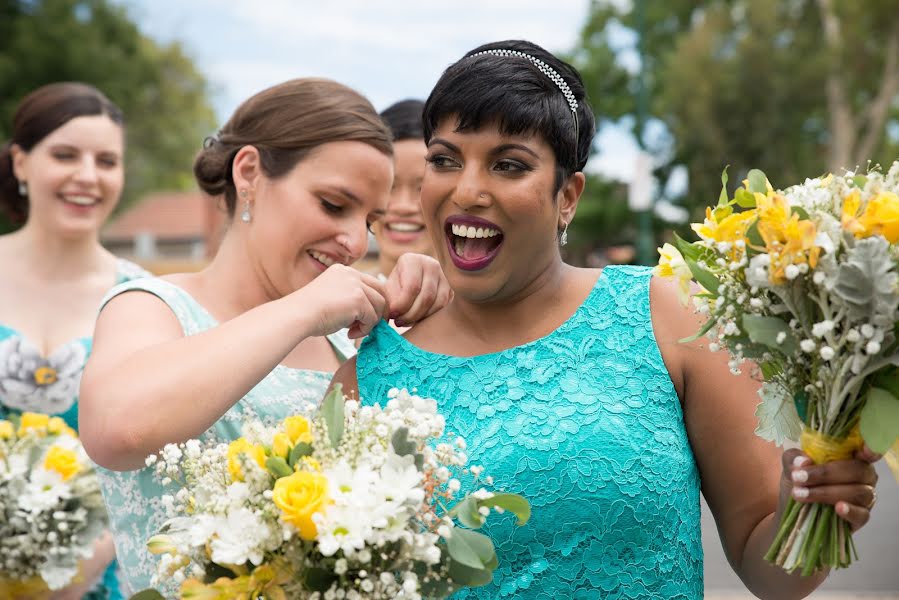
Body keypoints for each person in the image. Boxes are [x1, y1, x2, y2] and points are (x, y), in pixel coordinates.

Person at [331, 41, 881, 599]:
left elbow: (772, 575)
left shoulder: (668, 316)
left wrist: (810, 505)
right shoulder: (364, 384)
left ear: (567, 196)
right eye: (445, 160)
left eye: (509, 165)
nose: (467, 190)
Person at [78, 78, 451, 595]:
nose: (354, 240)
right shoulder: (147, 306)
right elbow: (117, 431)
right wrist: (302, 309)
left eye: (370, 219)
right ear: (249, 172)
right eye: (333, 204)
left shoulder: (352, 344)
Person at [0, 82, 150, 600]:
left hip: (98, 576)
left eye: (106, 161)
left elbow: (153, 450)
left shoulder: (144, 299)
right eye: (65, 155)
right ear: (20, 162)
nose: (87, 176)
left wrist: (77, 567)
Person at [370, 99, 434, 283]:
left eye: (423, 188)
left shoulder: (491, 310)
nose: (403, 207)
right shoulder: (324, 302)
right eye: (388, 186)